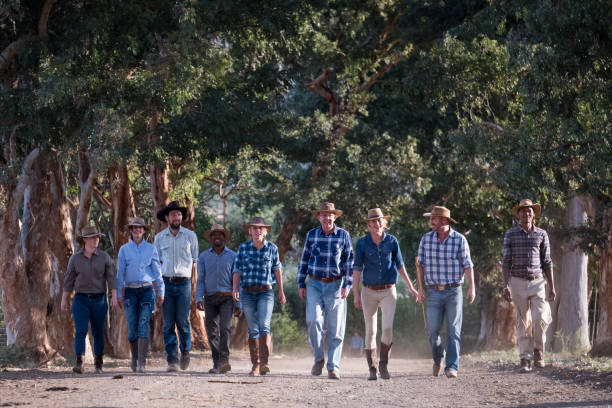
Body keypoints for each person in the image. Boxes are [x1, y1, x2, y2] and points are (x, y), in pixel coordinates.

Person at [353, 208, 420, 380]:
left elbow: (400, 266)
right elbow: (357, 269)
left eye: (379, 220)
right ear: (368, 225)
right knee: (370, 331)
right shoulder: (362, 243)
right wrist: (355, 293)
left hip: (389, 290)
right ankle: (372, 368)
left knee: (388, 328)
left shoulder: (392, 241)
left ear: (384, 222)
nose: (376, 224)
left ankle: (383, 365)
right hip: (368, 291)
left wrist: (411, 288)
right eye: (372, 221)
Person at [416, 206, 475, 379]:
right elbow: (420, 264)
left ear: (444, 221)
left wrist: (472, 287)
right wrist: (420, 288)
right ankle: (438, 357)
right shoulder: (426, 239)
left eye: (433, 218)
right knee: (432, 331)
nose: (431, 221)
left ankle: (452, 366)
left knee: (453, 330)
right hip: (433, 291)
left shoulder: (459, 240)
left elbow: (467, 265)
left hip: (453, 291)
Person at [298, 202, 354, 380]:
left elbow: (349, 262)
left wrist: (348, 284)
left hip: (336, 284)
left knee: (336, 328)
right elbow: (304, 259)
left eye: (330, 215)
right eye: (323, 215)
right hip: (314, 283)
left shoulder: (343, 235)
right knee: (313, 321)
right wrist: (301, 282)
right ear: (318, 217)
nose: (327, 218)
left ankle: (333, 367)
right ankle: (319, 359)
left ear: (335, 217)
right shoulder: (312, 235)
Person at [502, 199, 555, 373]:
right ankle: (525, 358)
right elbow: (506, 262)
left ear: (534, 214)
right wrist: (506, 286)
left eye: (529, 211)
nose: (526, 214)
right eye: (523, 211)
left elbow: (547, 261)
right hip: (517, 281)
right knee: (523, 321)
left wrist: (552, 287)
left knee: (540, 318)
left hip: (538, 281)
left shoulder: (541, 234)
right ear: (518, 214)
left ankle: (539, 351)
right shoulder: (510, 234)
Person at [232, 217, 286, 376]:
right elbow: (237, 270)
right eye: (254, 228)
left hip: (266, 291)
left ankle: (264, 363)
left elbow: (277, 270)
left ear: (265, 231)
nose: (257, 231)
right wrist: (235, 288)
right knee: (253, 328)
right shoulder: (243, 248)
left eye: (260, 228)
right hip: (247, 292)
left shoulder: (272, 248)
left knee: (264, 324)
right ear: (249, 231)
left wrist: (281, 291)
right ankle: (255, 365)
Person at [61, 226, 118, 374]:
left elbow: (111, 277)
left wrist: (114, 296)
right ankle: (79, 362)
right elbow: (68, 279)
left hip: (99, 300)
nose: (96, 239)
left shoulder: (105, 257)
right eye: (93, 237)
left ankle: (98, 363)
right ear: (85, 240)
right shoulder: (75, 258)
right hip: (81, 300)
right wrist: (64, 299)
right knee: (80, 331)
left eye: (97, 237)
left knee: (98, 331)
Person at [154, 201, 199, 372]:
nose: (176, 217)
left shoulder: (190, 236)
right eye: (173, 214)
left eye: (179, 214)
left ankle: (185, 351)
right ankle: (172, 360)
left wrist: (194, 287)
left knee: (182, 321)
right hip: (165, 283)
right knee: (168, 324)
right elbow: (156, 264)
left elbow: (194, 263)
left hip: (184, 284)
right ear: (167, 218)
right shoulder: (159, 238)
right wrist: (157, 289)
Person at [116, 217, 164, 373]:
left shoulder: (151, 249)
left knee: (143, 325)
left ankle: (142, 363)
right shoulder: (124, 249)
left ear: (144, 231)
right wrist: (119, 293)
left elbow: (157, 272)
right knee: (132, 328)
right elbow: (120, 272)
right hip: (130, 291)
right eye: (134, 229)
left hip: (146, 291)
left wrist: (160, 292)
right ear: (131, 231)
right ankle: (135, 358)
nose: (137, 232)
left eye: (140, 229)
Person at [196, 224, 236, 374]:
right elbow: (200, 279)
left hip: (227, 297)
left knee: (224, 329)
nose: (217, 237)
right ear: (211, 238)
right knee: (211, 331)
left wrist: (238, 301)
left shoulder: (233, 256)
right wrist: (198, 297)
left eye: (220, 234)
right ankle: (217, 362)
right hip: (210, 298)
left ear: (224, 238)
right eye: (214, 235)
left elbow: (237, 280)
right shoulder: (204, 257)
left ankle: (224, 360)